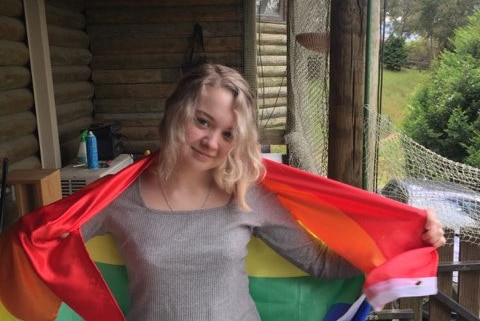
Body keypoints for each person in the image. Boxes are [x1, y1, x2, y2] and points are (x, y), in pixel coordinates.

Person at [0, 63, 445, 321]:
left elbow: (320, 262)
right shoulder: (118, 198)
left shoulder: (247, 196)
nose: (211, 142)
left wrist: (403, 240)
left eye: (229, 134)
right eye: (202, 121)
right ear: (176, 112)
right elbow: (41, 238)